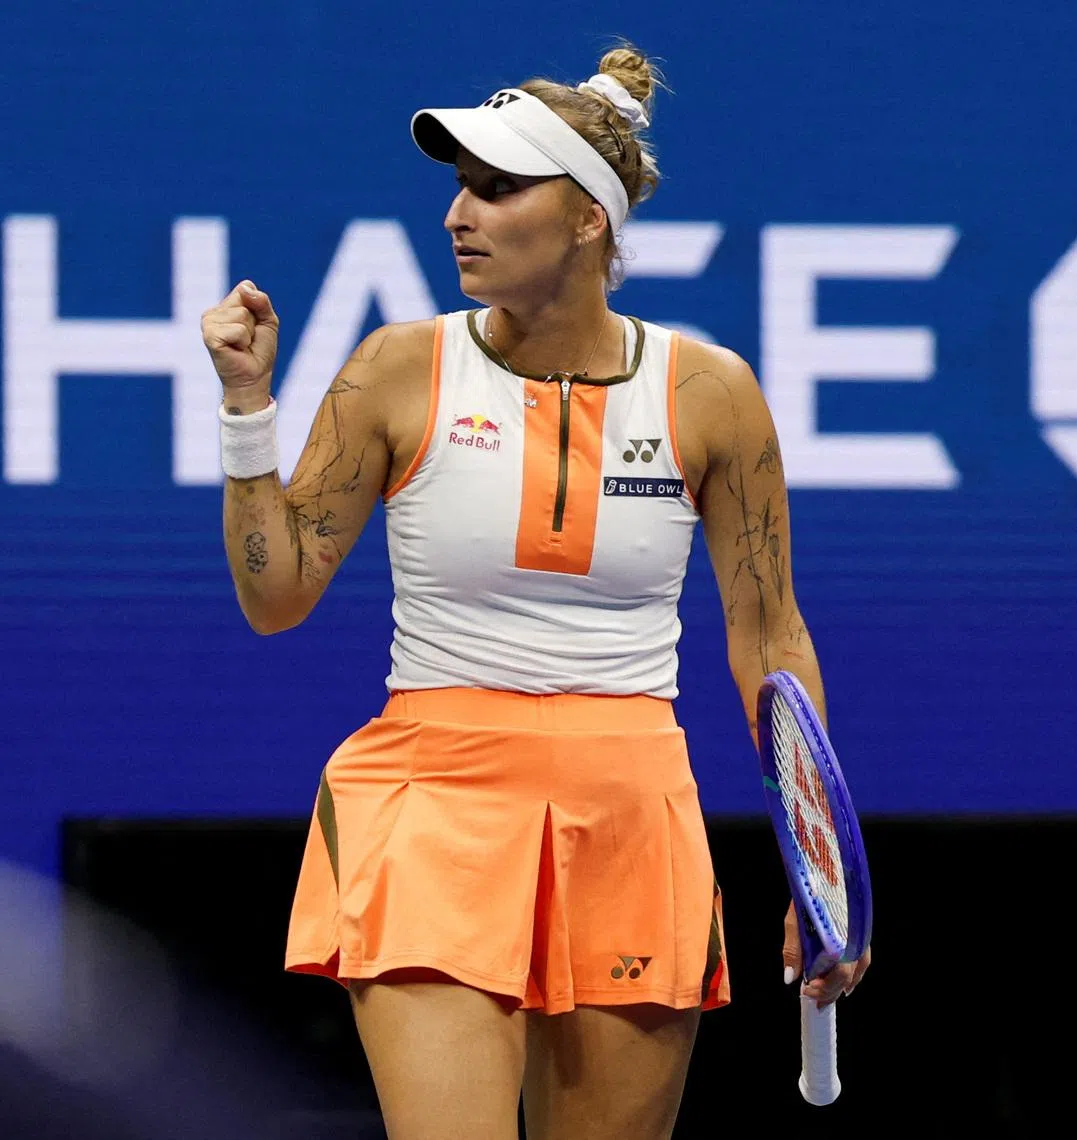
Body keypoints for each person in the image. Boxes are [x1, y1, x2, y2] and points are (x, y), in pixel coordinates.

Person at [201, 44, 870, 1140]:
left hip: (633, 812)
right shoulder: (395, 369)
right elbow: (275, 596)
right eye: (460, 187)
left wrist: (817, 861)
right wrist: (245, 412)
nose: (460, 214)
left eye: (498, 188)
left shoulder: (711, 393)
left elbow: (769, 632)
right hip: (431, 807)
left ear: (588, 221)